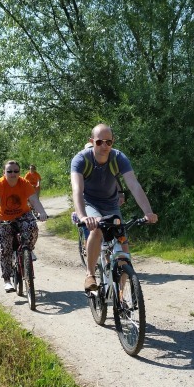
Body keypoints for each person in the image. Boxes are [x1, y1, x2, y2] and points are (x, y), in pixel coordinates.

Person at [70, 123, 158, 291]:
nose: (104, 146)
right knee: (96, 229)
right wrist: (83, 216)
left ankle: (121, 296)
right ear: (92, 141)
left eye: (108, 142)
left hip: (111, 204)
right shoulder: (81, 159)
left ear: (113, 142)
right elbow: (77, 190)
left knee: (123, 252)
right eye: (99, 142)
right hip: (90, 203)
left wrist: (148, 212)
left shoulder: (118, 158)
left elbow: (134, 185)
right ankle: (90, 274)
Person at [0, 160, 47, 293]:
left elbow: (34, 201)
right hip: (3, 218)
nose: (13, 174)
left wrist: (42, 212)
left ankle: (28, 248)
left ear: (19, 172)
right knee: (5, 248)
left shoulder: (24, 183)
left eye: (16, 171)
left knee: (32, 226)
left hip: (23, 214)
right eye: (9, 171)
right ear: (4, 172)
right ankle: (7, 280)